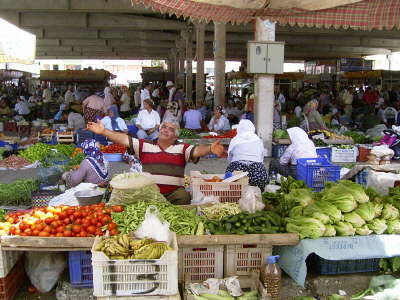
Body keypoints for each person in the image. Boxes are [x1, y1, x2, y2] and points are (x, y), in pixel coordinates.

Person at [86, 120, 225, 204]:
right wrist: (104, 131)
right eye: (164, 127)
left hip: (174, 193)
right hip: (150, 192)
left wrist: (210, 149)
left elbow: (197, 151)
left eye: (171, 129)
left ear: (176, 135)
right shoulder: (144, 144)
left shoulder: (183, 148)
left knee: (184, 196)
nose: (165, 130)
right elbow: (123, 139)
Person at [226, 120, 267, 192]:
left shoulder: (235, 139)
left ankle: (235, 193)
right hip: (257, 173)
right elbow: (261, 159)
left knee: (232, 182)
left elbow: (230, 158)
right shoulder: (258, 140)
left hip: (237, 171)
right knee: (259, 182)